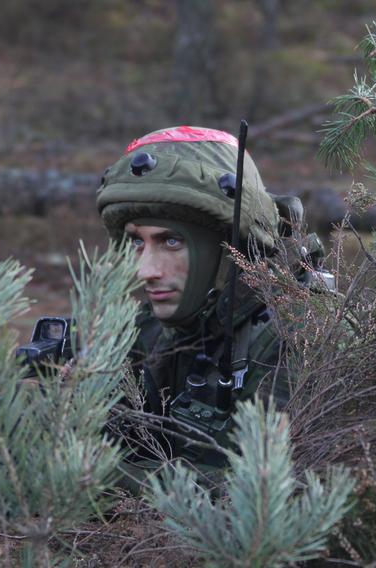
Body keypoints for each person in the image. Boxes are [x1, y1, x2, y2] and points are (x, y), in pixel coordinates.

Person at [97, 126, 321, 473]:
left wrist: (103, 479)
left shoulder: (296, 333)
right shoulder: (159, 328)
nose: (145, 271)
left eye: (171, 242)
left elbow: (266, 497)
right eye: (136, 242)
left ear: (231, 249)